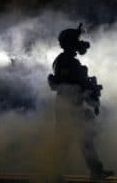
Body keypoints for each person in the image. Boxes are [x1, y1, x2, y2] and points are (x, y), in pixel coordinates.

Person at [48, 23, 113, 180]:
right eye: (76, 40)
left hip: (73, 106)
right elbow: (68, 84)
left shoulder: (67, 60)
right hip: (68, 108)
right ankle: (54, 173)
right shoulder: (66, 61)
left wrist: (90, 88)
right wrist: (89, 89)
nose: (80, 43)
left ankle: (95, 171)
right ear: (70, 43)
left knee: (84, 139)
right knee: (69, 141)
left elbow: (75, 83)